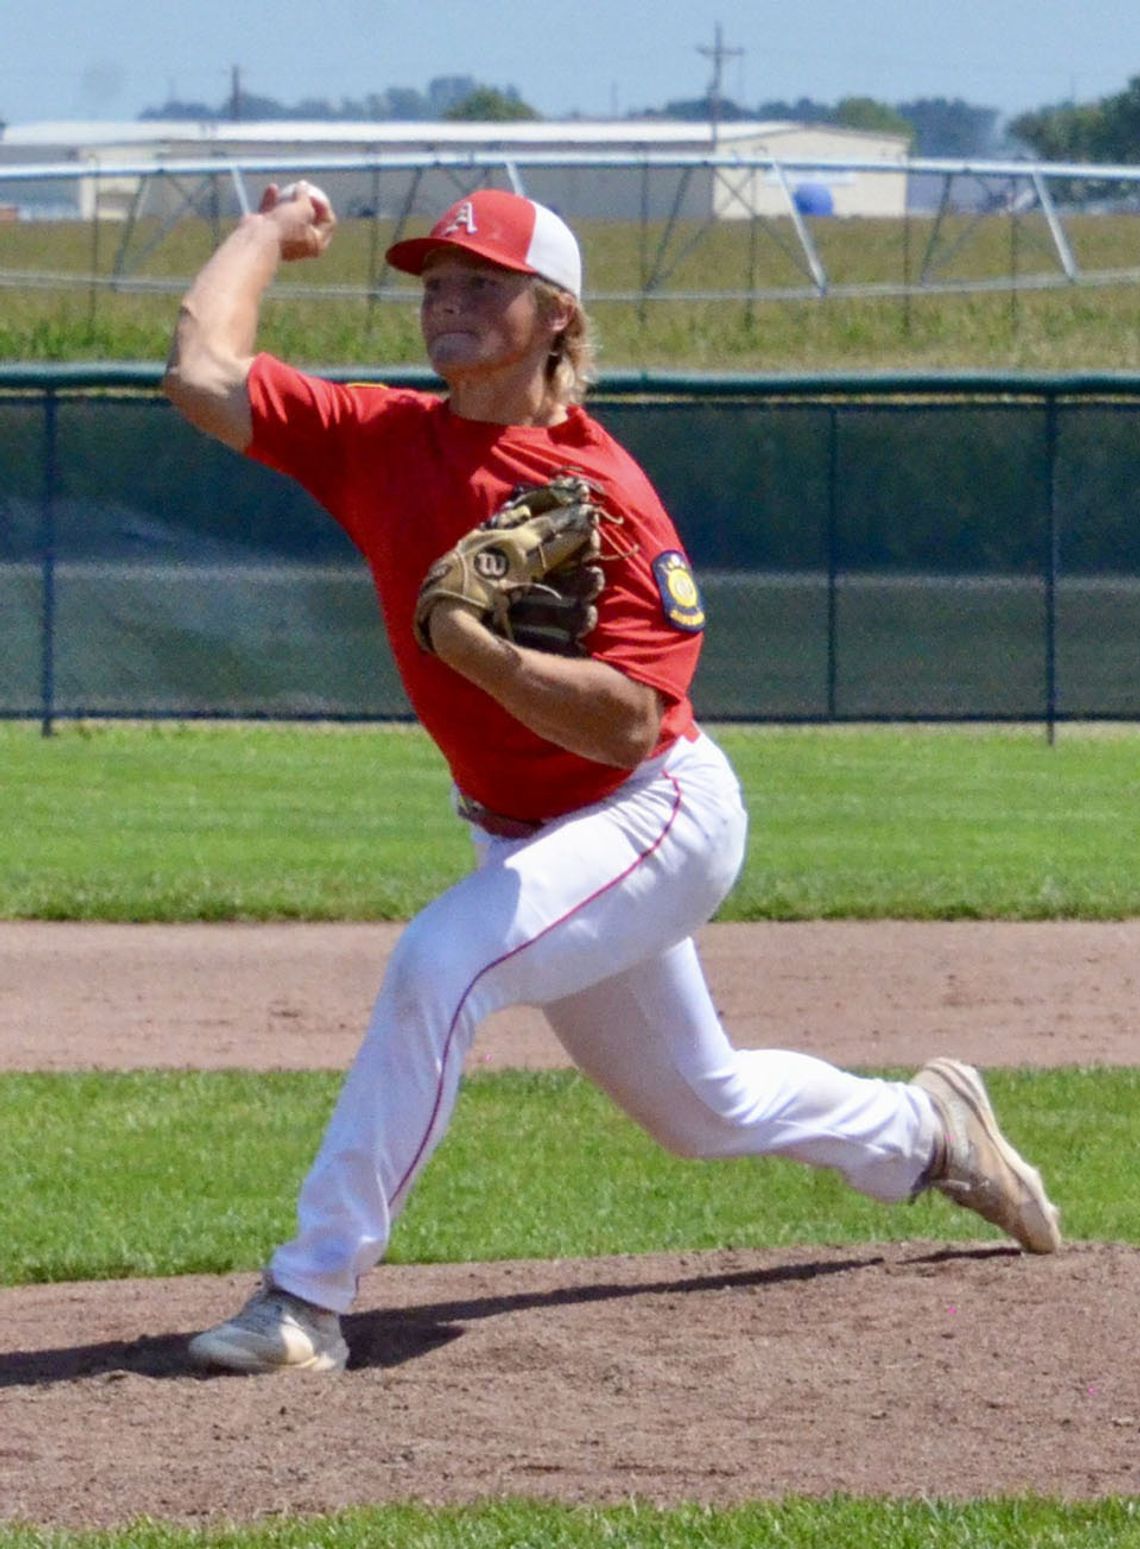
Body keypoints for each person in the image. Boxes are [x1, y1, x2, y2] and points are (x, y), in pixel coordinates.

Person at [163, 183, 1061, 1374]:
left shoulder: (611, 499)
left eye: (484, 284)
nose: (450, 302)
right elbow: (199, 370)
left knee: (442, 961)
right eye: (438, 282)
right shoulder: (382, 439)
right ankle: (926, 1129)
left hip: (656, 815)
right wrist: (267, 233)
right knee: (704, 1107)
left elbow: (632, 725)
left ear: (557, 317)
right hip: (527, 832)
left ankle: (307, 1295)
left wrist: (483, 651)